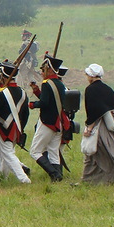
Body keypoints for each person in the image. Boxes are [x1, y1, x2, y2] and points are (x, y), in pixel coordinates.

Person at [80, 63, 114, 185]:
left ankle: (112, 179)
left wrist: (89, 128)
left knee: (97, 154)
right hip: (109, 127)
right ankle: (89, 180)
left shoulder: (90, 89)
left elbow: (94, 111)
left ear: (91, 76)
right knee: (109, 152)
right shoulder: (107, 88)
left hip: (99, 128)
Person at [0, 61, 31, 184]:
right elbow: (26, 114)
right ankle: (3, 177)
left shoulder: (2, 93)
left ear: (3, 76)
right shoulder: (23, 92)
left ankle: (23, 178)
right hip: (17, 128)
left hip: (6, 127)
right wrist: (21, 128)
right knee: (6, 154)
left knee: (8, 154)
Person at [28, 54, 68, 182]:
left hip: (48, 122)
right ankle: (58, 176)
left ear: (49, 69)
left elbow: (44, 103)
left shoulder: (47, 83)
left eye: (44, 69)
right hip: (59, 122)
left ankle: (54, 174)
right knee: (53, 151)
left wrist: (32, 104)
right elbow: (50, 100)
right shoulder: (59, 84)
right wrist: (37, 92)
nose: (42, 72)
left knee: (35, 151)